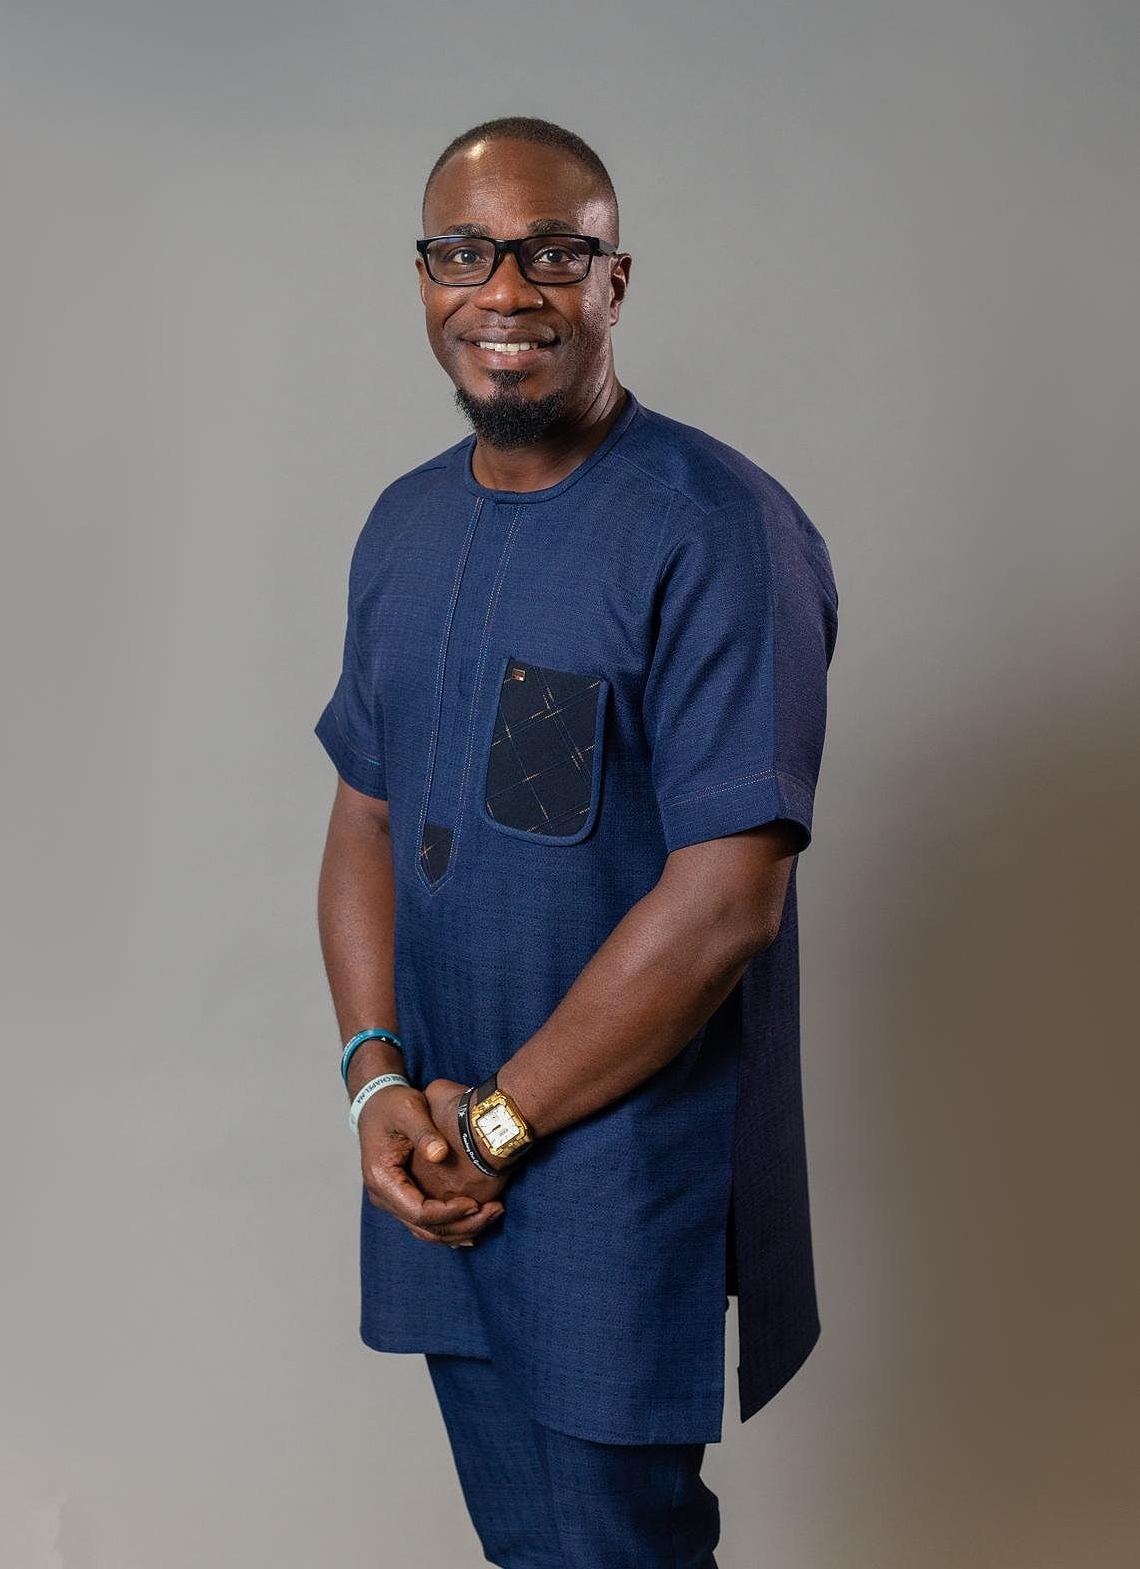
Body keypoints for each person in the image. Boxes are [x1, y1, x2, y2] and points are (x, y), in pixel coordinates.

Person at [314, 115, 839, 1568]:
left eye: (556, 252)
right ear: (423, 277)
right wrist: (378, 1089)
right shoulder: (404, 528)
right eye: (464, 252)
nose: (507, 291)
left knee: (609, 1542)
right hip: (434, 1146)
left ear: (614, 281)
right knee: (524, 1539)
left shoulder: (716, 532)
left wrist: (500, 1125)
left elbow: (727, 900)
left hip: (608, 1161)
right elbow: (361, 816)